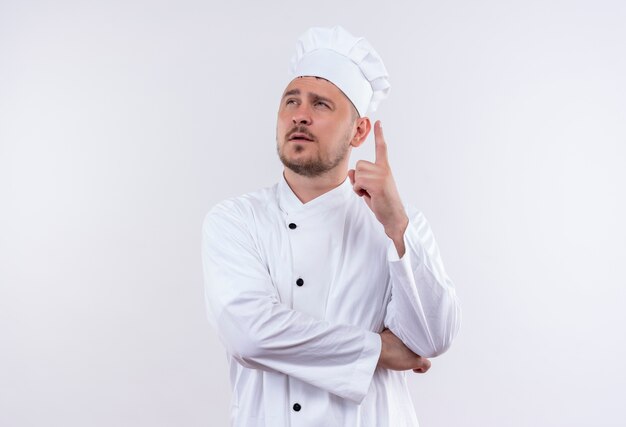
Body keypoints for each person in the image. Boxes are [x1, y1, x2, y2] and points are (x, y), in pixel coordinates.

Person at [201, 25, 461, 427]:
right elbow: (248, 333)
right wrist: (378, 350)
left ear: (358, 131)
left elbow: (433, 338)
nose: (300, 115)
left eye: (321, 104)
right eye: (291, 101)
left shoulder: (397, 225)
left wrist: (395, 225)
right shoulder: (236, 220)